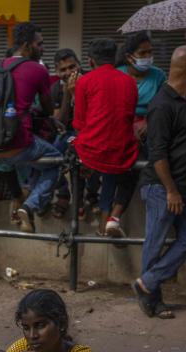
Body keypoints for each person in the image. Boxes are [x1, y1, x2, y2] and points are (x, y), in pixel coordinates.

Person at [132, 46, 186, 320]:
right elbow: (158, 154)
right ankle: (153, 300)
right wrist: (171, 190)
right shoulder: (162, 104)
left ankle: (147, 283)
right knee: (155, 242)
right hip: (163, 187)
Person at [0, 22, 61, 234]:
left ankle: (27, 198)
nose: (42, 48)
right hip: (18, 145)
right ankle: (30, 205)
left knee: (37, 156)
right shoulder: (38, 69)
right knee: (56, 161)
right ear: (27, 46)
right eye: (39, 44)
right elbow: (47, 109)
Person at [72, 38, 138, 238]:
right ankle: (109, 218)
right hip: (121, 153)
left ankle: (82, 208)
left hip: (92, 152)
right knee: (120, 168)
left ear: (91, 62)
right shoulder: (130, 82)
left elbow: (79, 124)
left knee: (76, 158)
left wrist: (84, 158)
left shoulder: (84, 81)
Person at [114, 32, 168, 227]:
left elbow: (163, 106)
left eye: (150, 52)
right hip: (122, 126)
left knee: (156, 156)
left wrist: (148, 123)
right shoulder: (117, 74)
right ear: (129, 57)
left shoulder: (159, 75)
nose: (147, 57)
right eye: (142, 53)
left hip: (151, 126)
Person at [49, 48, 84, 218]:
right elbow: (59, 122)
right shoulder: (57, 88)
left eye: (72, 67)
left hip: (90, 131)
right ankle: (63, 194)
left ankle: (89, 196)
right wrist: (67, 96)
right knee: (55, 151)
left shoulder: (90, 81)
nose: (68, 72)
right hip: (70, 132)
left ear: (79, 64)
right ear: (57, 71)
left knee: (85, 153)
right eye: (62, 70)